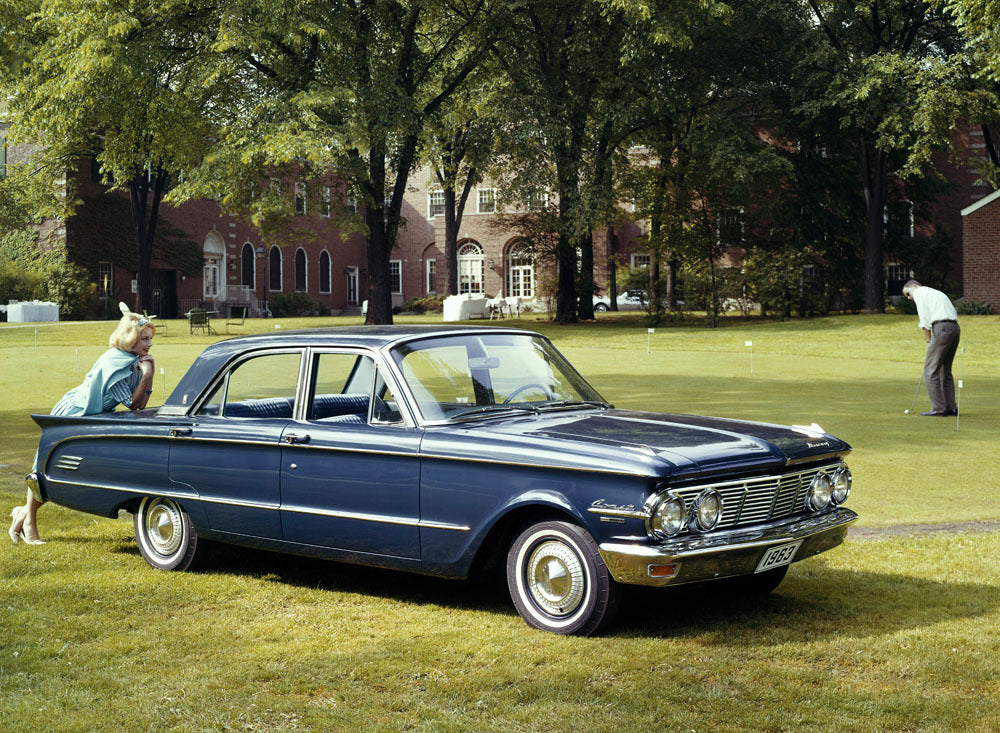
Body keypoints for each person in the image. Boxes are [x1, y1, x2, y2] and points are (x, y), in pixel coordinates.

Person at [8, 304, 156, 545]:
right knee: (48, 467)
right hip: (76, 412)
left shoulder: (135, 362)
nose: (149, 344)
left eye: (150, 339)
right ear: (131, 338)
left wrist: (148, 373)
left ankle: (23, 514)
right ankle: (28, 521)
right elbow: (131, 403)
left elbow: (139, 405)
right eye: (144, 339)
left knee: (70, 470)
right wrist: (147, 374)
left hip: (96, 416)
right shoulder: (115, 362)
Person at [902, 279, 960, 417]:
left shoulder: (919, 293)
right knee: (945, 370)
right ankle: (950, 407)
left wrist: (928, 340)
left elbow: (924, 320)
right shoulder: (934, 292)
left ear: (913, 287)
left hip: (941, 328)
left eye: (908, 294)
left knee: (930, 371)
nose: (909, 298)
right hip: (955, 328)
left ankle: (938, 408)